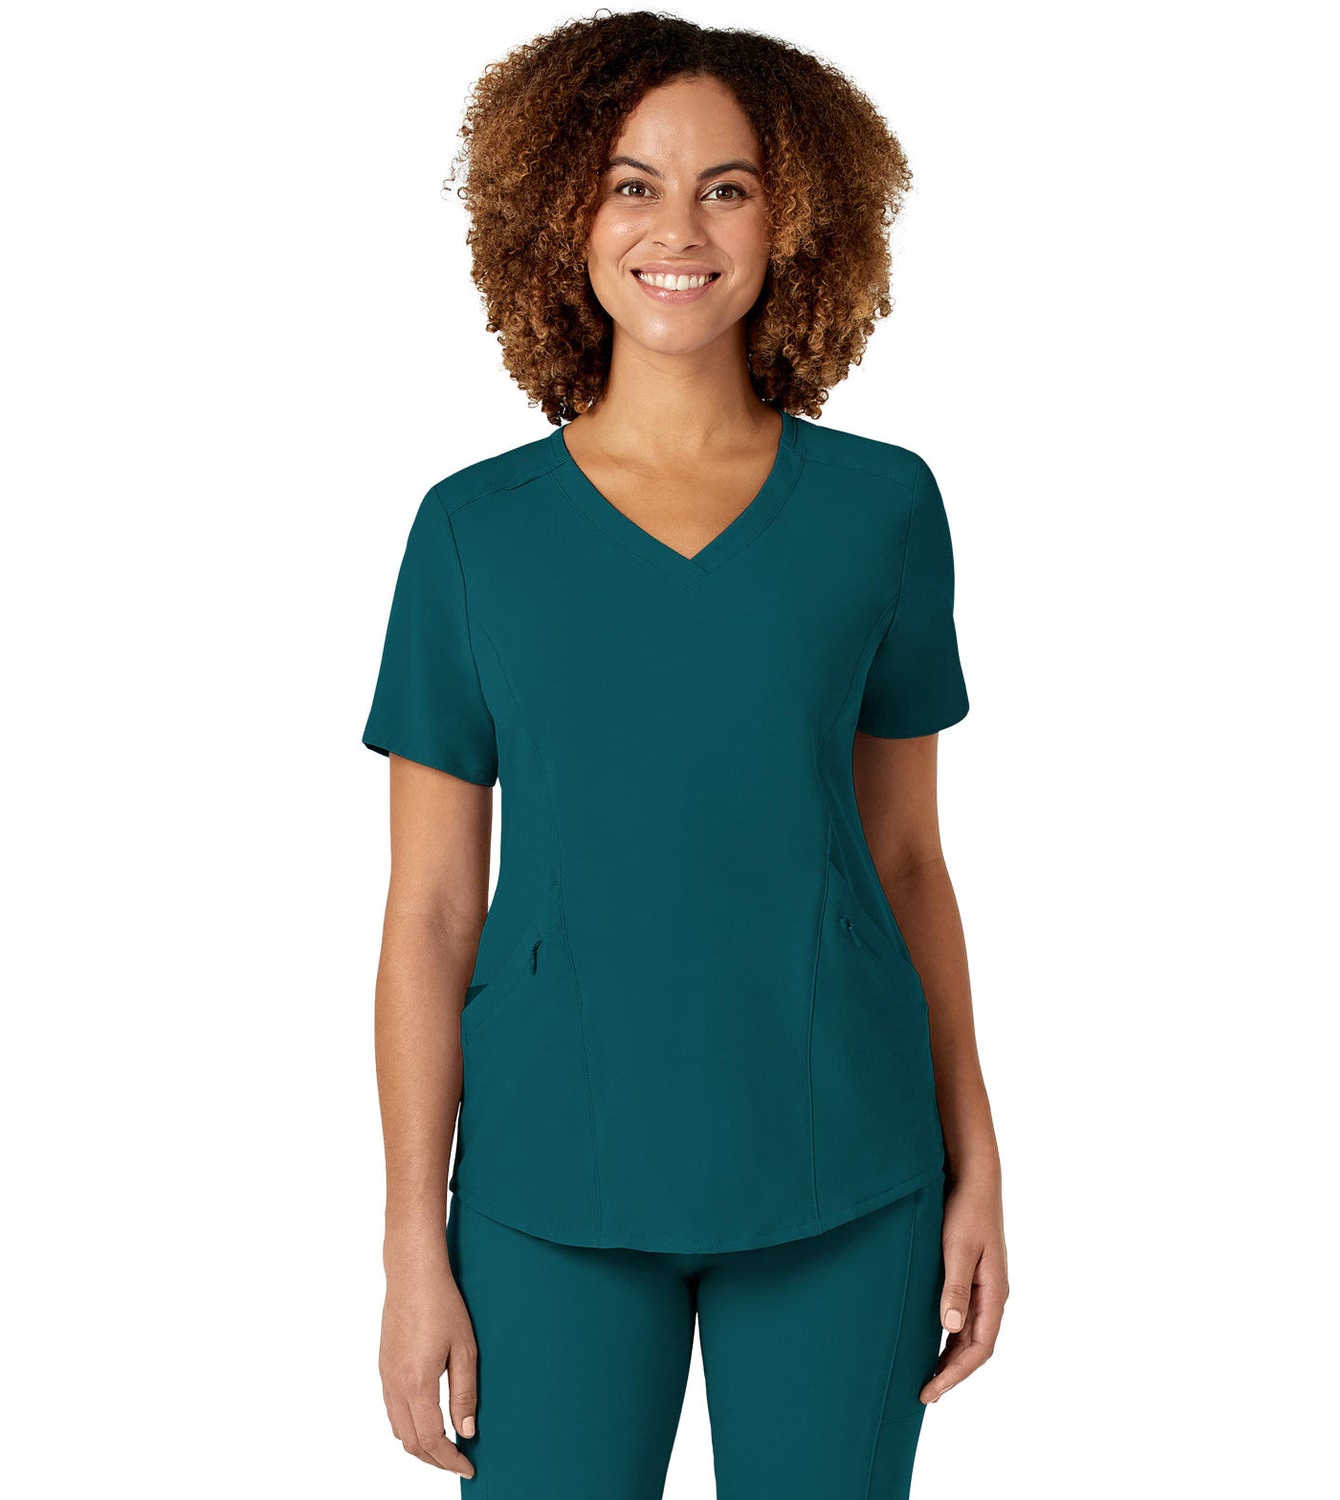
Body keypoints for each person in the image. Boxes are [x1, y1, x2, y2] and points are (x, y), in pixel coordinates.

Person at [361, 13, 1008, 1498]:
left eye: (729, 187)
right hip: (548, 1184)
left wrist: (977, 1157)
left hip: (849, 1170)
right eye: (631, 185)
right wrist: (410, 1246)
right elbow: (431, 911)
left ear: (796, 220)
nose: (680, 229)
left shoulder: (883, 510)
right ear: (561, 215)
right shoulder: (472, 532)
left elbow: (907, 858)